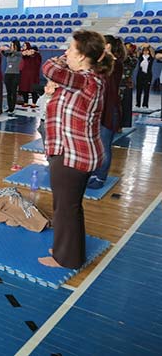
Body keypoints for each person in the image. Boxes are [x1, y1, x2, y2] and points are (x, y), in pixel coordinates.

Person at [39, 30, 113, 269]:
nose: (66, 52)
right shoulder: (85, 78)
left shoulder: (87, 79)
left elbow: (49, 68)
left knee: (65, 208)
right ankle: (67, 249)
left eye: (70, 49)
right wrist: (54, 92)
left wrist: (60, 60)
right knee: (67, 206)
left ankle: (66, 258)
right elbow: (66, 98)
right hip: (70, 150)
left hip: (73, 154)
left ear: (82, 56)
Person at [88, 35, 125, 189]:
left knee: (104, 145)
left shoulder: (115, 63)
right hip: (101, 109)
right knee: (96, 144)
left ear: (108, 46)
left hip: (110, 110)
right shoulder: (103, 63)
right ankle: (95, 173)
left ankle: (101, 177)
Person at [2, 40, 22, 116]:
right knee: (8, 92)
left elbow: (16, 53)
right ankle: (9, 107)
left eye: (12, 45)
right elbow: (4, 53)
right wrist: (3, 49)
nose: (11, 46)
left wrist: (8, 49)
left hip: (15, 74)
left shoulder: (19, 54)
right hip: (7, 73)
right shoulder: (9, 53)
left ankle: (12, 108)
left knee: (13, 92)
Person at [19, 42, 42, 107]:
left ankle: (34, 103)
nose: (23, 47)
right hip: (24, 74)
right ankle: (25, 102)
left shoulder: (36, 55)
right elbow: (22, 55)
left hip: (33, 75)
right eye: (23, 46)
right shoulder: (23, 54)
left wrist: (33, 53)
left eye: (25, 45)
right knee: (24, 88)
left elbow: (38, 63)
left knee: (33, 88)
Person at [119, 42, 136, 127]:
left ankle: (123, 125)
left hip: (126, 85)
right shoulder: (119, 58)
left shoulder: (133, 59)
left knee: (126, 107)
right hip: (118, 84)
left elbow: (127, 59)